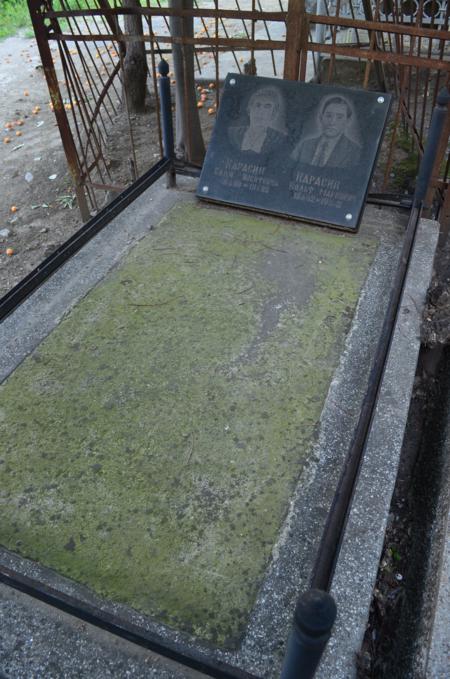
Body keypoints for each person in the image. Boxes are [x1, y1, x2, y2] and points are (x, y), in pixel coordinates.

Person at [291, 95, 362, 169]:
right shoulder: (305, 145)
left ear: (347, 121)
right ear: (321, 117)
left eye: (339, 117)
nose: (332, 122)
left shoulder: (354, 151)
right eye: (328, 116)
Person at [228, 86, 288, 155]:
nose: (260, 111)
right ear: (249, 109)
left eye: (267, 107)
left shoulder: (279, 139)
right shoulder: (232, 133)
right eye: (257, 105)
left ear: (273, 114)